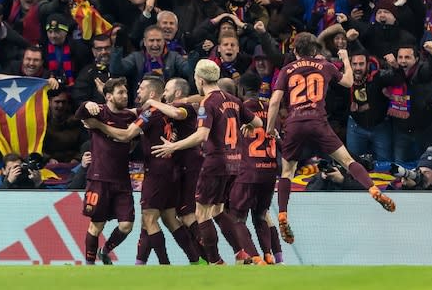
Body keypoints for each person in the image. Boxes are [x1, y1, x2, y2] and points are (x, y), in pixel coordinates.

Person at [266, 32, 396, 245]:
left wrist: (271, 128)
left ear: (295, 51)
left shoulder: (287, 70)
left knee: (287, 172)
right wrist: (345, 57)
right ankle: (373, 189)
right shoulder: (325, 65)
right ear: (315, 50)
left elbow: (274, 102)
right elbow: (348, 82)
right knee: (347, 161)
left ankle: (282, 215)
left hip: (295, 123)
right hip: (318, 121)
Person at [151, 59, 263, 265]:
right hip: (234, 163)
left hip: (215, 162)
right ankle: (241, 254)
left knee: (201, 213)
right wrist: (248, 127)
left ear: (200, 80)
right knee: (217, 210)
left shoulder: (208, 103)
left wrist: (173, 146)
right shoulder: (233, 99)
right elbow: (258, 122)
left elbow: (202, 135)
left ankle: (214, 261)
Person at [84, 75, 200, 265]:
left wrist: (99, 125)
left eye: (142, 88)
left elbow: (127, 134)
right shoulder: (166, 110)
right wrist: (107, 97)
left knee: (149, 219)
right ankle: (195, 260)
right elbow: (127, 111)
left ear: (152, 93)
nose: (137, 91)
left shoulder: (150, 112)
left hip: (157, 171)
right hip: (173, 170)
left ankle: (164, 264)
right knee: (170, 217)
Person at [140, 77, 206, 262]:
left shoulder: (185, 107)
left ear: (177, 92)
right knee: (173, 216)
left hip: (190, 165)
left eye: (167, 90)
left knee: (187, 215)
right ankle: (200, 259)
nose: (164, 94)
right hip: (177, 168)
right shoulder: (167, 110)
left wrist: (153, 101)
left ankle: (211, 257)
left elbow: (178, 112)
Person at [75, 78, 137, 265]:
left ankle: (106, 250)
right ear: (108, 96)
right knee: (97, 225)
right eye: (120, 93)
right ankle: (90, 264)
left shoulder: (130, 117)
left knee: (126, 226)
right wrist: (88, 103)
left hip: (122, 180)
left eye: (126, 92)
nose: (125, 96)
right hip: (99, 178)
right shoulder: (100, 112)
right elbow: (80, 112)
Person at [229, 72, 282, 265]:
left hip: (248, 170)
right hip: (269, 170)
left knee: (236, 217)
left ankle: (255, 257)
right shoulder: (271, 109)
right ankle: (268, 254)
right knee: (260, 214)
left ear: (241, 89)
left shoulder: (241, 109)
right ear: (260, 88)